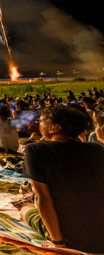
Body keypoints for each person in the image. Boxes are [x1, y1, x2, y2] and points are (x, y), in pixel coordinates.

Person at [20, 104, 104, 253]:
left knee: (25, 209)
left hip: (72, 238)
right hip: (99, 236)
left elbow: (43, 199)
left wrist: (58, 243)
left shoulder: (36, 150)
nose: (39, 123)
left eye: (42, 120)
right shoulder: (96, 149)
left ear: (55, 128)